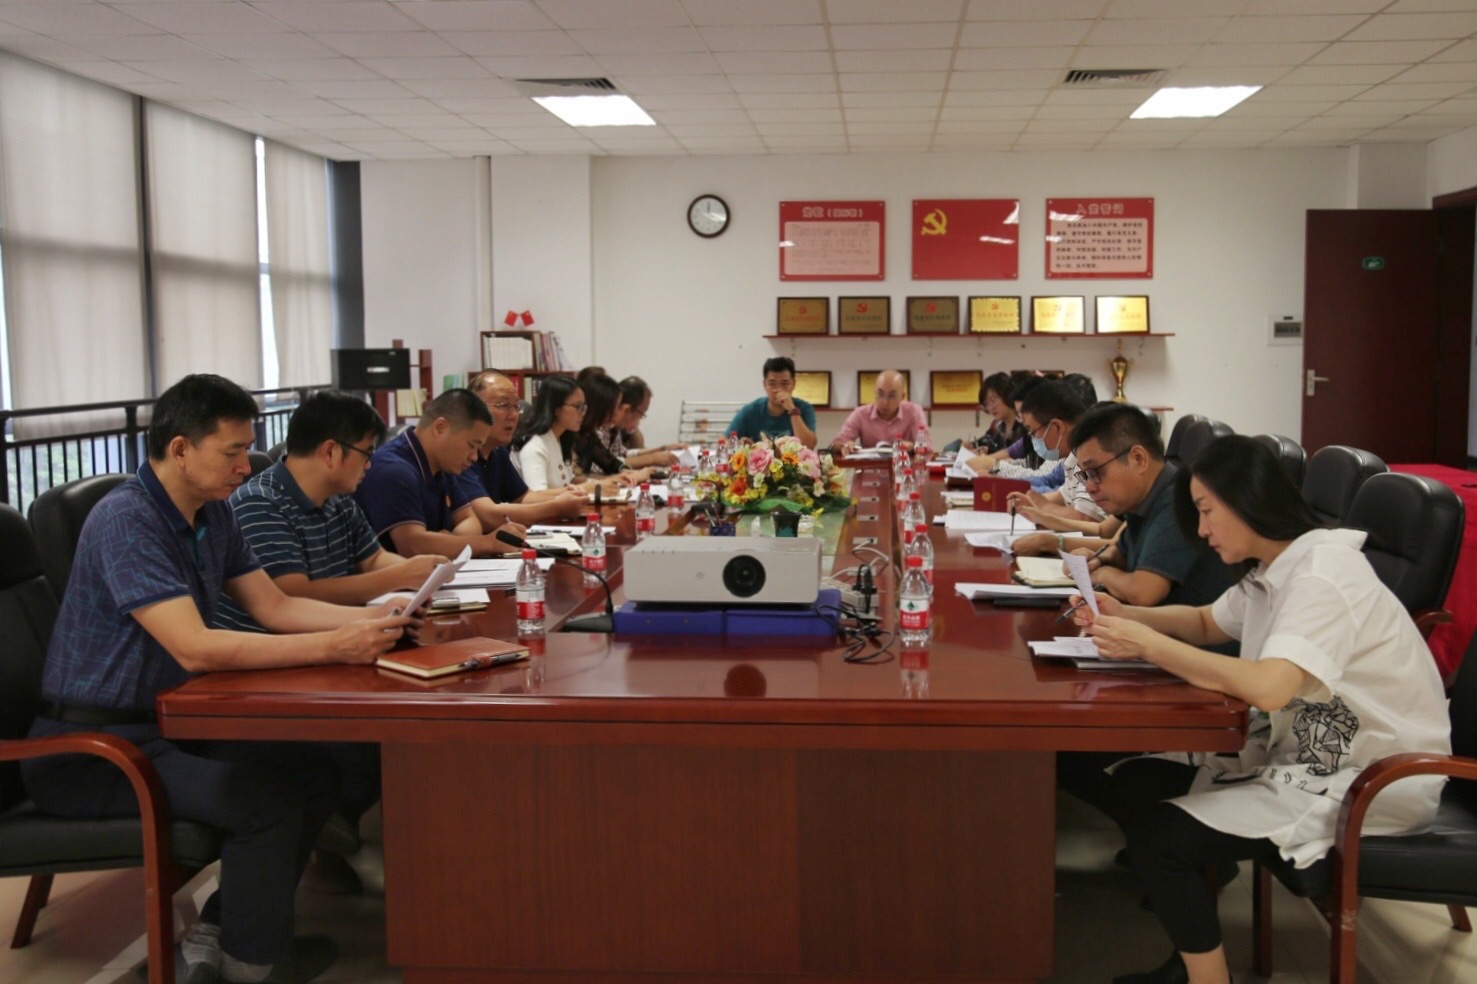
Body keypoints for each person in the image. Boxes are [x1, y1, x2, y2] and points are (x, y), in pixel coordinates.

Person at [22, 374, 411, 984]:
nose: (244, 466)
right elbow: (195, 647)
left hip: (167, 723)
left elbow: (275, 607)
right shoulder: (127, 519)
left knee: (315, 769)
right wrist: (335, 644)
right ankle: (253, 964)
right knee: (266, 800)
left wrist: (376, 619)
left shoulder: (214, 514)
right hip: (95, 752)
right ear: (180, 449)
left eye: (246, 449)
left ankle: (226, 938)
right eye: (232, 451)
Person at [1072, 435, 1450, 984]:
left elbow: (1271, 688)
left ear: (1246, 501)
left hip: (1369, 779)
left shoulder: (1322, 574)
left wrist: (1148, 646)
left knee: (1160, 838)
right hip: (1306, 759)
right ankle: (1191, 956)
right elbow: (1206, 621)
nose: (1202, 530)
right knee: (1133, 783)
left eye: (1206, 511)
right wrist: (1125, 614)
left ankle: (1207, 979)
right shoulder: (1273, 567)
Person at [1062, 402, 1237, 608]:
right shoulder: (1142, 499)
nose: (1089, 487)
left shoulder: (1179, 500)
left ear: (1138, 459)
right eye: (1085, 476)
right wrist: (1097, 559)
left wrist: (1101, 574)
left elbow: (1144, 592)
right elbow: (1123, 554)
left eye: (1095, 472)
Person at [353, 388, 524, 557]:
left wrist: (445, 542)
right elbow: (414, 546)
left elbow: (470, 521)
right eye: (472, 445)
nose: (474, 457)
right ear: (440, 428)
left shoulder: (442, 463)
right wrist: (490, 543)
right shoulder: (393, 469)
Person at [459, 371, 590, 531]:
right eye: (503, 405)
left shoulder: (498, 451)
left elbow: (522, 497)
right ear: (473, 408)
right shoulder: (461, 454)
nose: (513, 415)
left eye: (516, 406)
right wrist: (557, 507)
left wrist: (568, 494)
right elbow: (487, 516)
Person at [1003, 382, 1110, 556]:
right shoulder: (1071, 455)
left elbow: (1087, 518)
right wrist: (1029, 503)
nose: (1033, 439)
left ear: (1057, 427)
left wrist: (1042, 509)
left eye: (1033, 432)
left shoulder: (1090, 454)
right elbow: (1063, 496)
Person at [512, 375, 628, 494]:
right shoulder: (535, 447)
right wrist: (591, 488)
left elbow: (569, 481)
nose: (583, 413)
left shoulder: (559, 439)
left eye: (584, 407)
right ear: (555, 408)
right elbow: (538, 494)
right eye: (578, 407)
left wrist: (609, 481)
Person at [571, 371, 651, 484]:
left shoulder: (587, 433)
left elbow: (611, 463)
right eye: (615, 407)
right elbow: (573, 479)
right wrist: (615, 479)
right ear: (600, 407)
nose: (617, 412)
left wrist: (631, 474)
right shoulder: (570, 433)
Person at [723, 356, 817, 449]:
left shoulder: (805, 408)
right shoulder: (751, 410)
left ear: (793, 384)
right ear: (764, 384)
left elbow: (809, 446)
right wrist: (740, 446)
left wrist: (793, 410)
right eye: (772, 384)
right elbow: (724, 441)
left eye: (784, 383)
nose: (778, 389)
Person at [832, 369, 932, 451]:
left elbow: (928, 447)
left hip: (904, 467)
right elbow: (836, 444)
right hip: (869, 468)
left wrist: (912, 446)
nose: (885, 402)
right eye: (880, 394)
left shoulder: (914, 412)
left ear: (902, 397)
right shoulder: (861, 414)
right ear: (874, 392)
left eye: (892, 396)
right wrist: (845, 445)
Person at [612, 375, 683, 469]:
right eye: (642, 413)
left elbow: (624, 454)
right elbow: (609, 464)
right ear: (627, 409)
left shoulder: (615, 430)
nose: (639, 419)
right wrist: (652, 459)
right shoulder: (602, 427)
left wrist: (664, 448)